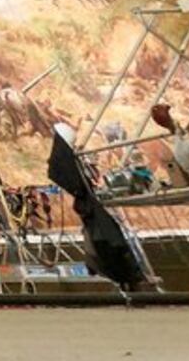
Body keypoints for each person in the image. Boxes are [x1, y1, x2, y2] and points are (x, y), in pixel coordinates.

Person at [45, 122, 149, 294]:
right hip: (96, 217)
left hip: (95, 217)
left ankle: (128, 281)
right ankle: (129, 280)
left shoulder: (63, 165)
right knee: (110, 245)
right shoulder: (67, 166)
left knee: (108, 246)